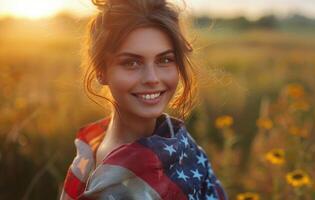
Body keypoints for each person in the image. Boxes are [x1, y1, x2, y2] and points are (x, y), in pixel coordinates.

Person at [59, 0, 227, 199]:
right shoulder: (90, 152)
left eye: (164, 60)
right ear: (100, 70)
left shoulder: (185, 150)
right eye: (131, 62)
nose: (152, 79)